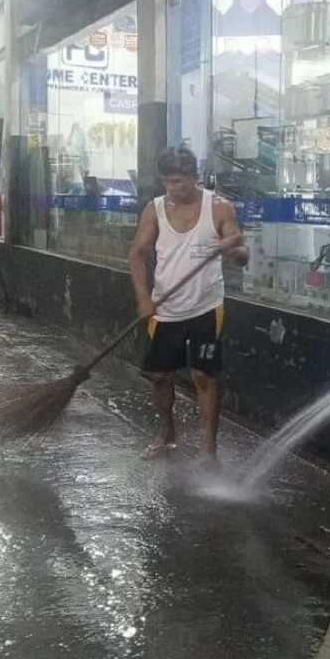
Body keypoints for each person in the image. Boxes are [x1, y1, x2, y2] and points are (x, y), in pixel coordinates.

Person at [128, 147, 248, 459]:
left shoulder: (219, 208)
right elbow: (137, 254)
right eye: (167, 182)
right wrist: (143, 298)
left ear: (195, 177)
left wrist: (232, 248)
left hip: (206, 306)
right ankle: (167, 434)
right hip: (165, 308)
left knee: (204, 375)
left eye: (179, 182)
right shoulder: (154, 210)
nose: (172, 189)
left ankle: (208, 448)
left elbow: (241, 255)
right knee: (160, 376)